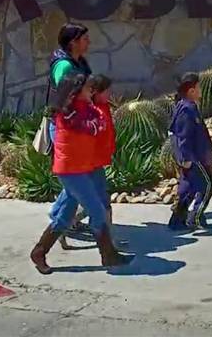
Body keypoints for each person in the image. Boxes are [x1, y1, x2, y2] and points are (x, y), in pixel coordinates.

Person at [30, 73, 130, 273]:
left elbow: (100, 122)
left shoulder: (84, 108)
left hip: (82, 168)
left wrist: (97, 116)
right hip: (71, 171)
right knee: (97, 211)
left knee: (65, 215)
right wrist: (98, 118)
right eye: (87, 88)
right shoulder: (68, 113)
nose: (91, 90)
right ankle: (108, 255)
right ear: (75, 92)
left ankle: (39, 251)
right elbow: (95, 127)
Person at [45, 23, 94, 243]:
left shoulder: (79, 62)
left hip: (78, 125)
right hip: (65, 127)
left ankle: (62, 220)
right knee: (75, 179)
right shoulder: (64, 66)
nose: (88, 42)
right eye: (84, 38)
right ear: (73, 42)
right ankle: (59, 222)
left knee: (78, 179)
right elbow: (65, 98)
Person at [169, 73, 212, 231]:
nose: (201, 90)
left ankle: (177, 220)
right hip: (193, 158)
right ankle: (195, 218)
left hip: (194, 156)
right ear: (191, 91)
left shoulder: (187, 106)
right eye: (199, 87)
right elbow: (183, 135)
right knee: (207, 185)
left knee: (189, 188)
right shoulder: (187, 110)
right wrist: (185, 158)